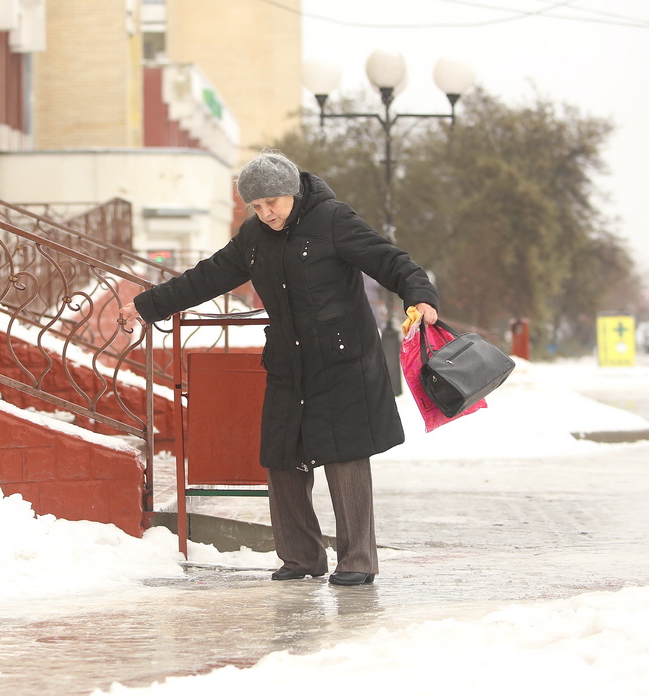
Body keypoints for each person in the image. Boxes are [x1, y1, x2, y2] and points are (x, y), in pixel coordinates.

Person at [119, 150, 439, 587]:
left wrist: (420, 296)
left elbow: (392, 261)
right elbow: (205, 277)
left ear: (292, 192)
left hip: (342, 360)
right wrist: (144, 305)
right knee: (283, 458)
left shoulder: (332, 219)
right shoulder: (253, 237)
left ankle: (358, 561)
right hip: (290, 360)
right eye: (257, 205)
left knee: (344, 458)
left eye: (273, 202)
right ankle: (301, 557)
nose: (266, 212)